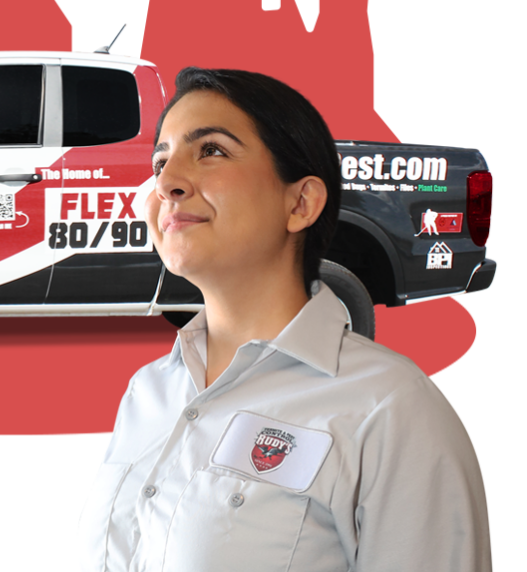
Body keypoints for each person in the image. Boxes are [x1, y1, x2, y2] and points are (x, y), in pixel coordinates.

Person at [76, 67, 490, 572]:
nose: (166, 182)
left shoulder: (388, 409)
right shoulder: (148, 393)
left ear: (300, 202)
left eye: (211, 151)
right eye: (160, 159)